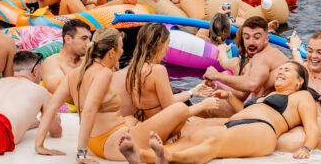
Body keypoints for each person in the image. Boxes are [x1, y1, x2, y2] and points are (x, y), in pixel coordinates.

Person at [34, 27, 218, 162]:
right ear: (112, 52)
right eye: (121, 48)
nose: (123, 52)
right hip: (111, 143)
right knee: (179, 109)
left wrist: (39, 144)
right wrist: (81, 154)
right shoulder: (103, 73)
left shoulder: (75, 74)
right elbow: (89, 109)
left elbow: (52, 106)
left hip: (96, 142)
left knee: (130, 118)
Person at [120, 61, 320, 163]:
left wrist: (307, 148)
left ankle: (166, 158)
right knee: (192, 136)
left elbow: (312, 127)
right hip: (236, 122)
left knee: (213, 145)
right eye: (280, 69)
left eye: (287, 70)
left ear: (300, 80)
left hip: (263, 130)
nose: (281, 72)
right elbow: (244, 112)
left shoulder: (302, 97)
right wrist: (229, 97)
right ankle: (146, 157)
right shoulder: (266, 96)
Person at [112, 23, 212, 120]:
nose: (167, 49)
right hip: (163, 126)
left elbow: (164, 100)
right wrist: (203, 105)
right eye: (167, 43)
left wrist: (192, 92)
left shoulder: (133, 69)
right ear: (160, 44)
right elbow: (170, 108)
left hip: (148, 120)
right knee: (218, 123)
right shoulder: (157, 70)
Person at [204, 16, 288, 109]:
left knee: (207, 109)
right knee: (207, 106)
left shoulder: (263, 57)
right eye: (247, 37)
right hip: (263, 108)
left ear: (266, 39)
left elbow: (252, 85)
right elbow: (241, 94)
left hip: (273, 112)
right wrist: (215, 86)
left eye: (256, 37)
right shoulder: (251, 63)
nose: (251, 42)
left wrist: (217, 76)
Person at [41, 18, 92, 93]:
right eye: (84, 38)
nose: (88, 43)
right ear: (68, 39)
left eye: (89, 39)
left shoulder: (88, 60)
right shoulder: (52, 62)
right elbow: (58, 90)